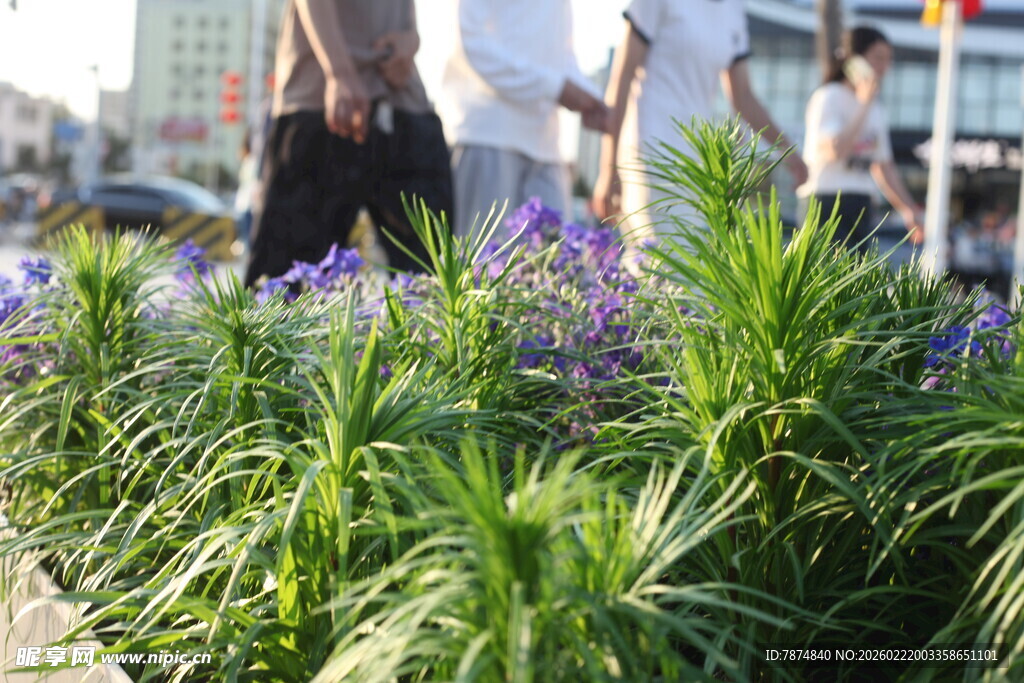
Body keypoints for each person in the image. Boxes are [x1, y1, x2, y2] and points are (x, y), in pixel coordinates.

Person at [245, 1, 453, 287]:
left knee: (432, 278)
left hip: (402, 95)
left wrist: (412, 39)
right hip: (320, 97)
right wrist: (339, 73)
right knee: (285, 285)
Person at [592, 0, 808, 255]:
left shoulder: (733, 9)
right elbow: (623, 75)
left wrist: (789, 153)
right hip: (650, 154)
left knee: (688, 266)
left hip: (699, 165)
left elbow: (744, 97)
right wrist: (608, 169)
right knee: (657, 260)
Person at [441, 0, 610, 238]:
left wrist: (595, 101)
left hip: (547, 146)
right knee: (485, 257)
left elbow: (561, 56)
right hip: (489, 135)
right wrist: (555, 87)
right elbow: (474, 44)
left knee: (561, 257)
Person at [798, 26, 923, 251]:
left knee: (858, 271)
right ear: (854, 60)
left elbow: (883, 166)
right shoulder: (828, 97)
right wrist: (863, 104)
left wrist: (908, 209)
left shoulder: (877, 109)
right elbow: (835, 149)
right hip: (826, 200)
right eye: (878, 58)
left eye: (888, 60)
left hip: (861, 202)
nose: (884, 67)